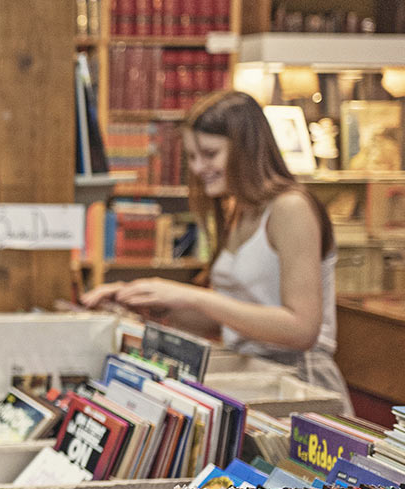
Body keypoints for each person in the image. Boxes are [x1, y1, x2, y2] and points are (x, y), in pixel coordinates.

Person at [82, 88, 350, 404]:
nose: (197, 168)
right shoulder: (236, 210)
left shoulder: (290, 208)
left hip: (300, 383)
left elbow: (301, 329)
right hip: (255, 373)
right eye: (192, 157)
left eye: (209, 154)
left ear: (247, 150)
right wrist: (150, 303)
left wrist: (194, 297)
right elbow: (234, 317)